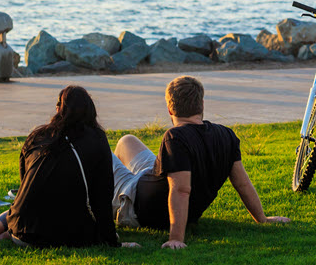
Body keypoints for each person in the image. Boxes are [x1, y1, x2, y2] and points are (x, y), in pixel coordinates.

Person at [0, 85, 136, 249]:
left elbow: (24, 186)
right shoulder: (98, 139)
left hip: (22, 230)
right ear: (90, 111)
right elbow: (101, 199)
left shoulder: (38, 135)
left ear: (58, 109)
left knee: (18, 208)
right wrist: (112, 241)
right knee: (70, 215)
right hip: (66, 236)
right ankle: (5, 235)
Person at [110, 76, 289, 249]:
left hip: (135, 204)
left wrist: (176, 239)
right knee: (127, 141)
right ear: (201, 105)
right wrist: (262, 218)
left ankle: (107, 202)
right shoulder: (226, 135)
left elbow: (181, 190)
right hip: (149, 180)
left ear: (170, 110)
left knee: (104, 153)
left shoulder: (175, 137)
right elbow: (242, 183)